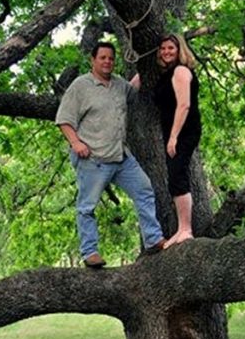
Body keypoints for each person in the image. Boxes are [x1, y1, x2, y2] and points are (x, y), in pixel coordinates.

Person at [55, 41, 166, 268]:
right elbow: (64, 119)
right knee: (87, 207)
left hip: (121, 157)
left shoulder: (118, 84)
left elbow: (133, 89)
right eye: (103, 57)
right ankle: (90, 253)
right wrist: (75, 142)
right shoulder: (81, 86)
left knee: (144, 189)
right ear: (93, 60)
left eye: (111, 58)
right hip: (93, 159)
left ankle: (153, 239)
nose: (107, 62)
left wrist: (151, 63)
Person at [152, 34, 201, 249]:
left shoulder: (181, 71)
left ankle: (186, 229)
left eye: (171, 48)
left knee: (177, 175)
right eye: (162, 48)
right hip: (173, 133)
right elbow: (134, 85)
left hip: (183, 131)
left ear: (179, 49)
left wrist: (173, 137)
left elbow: (184, 105)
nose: (166, 52)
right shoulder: (166, 75)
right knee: (174, 176)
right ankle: (181, 228)